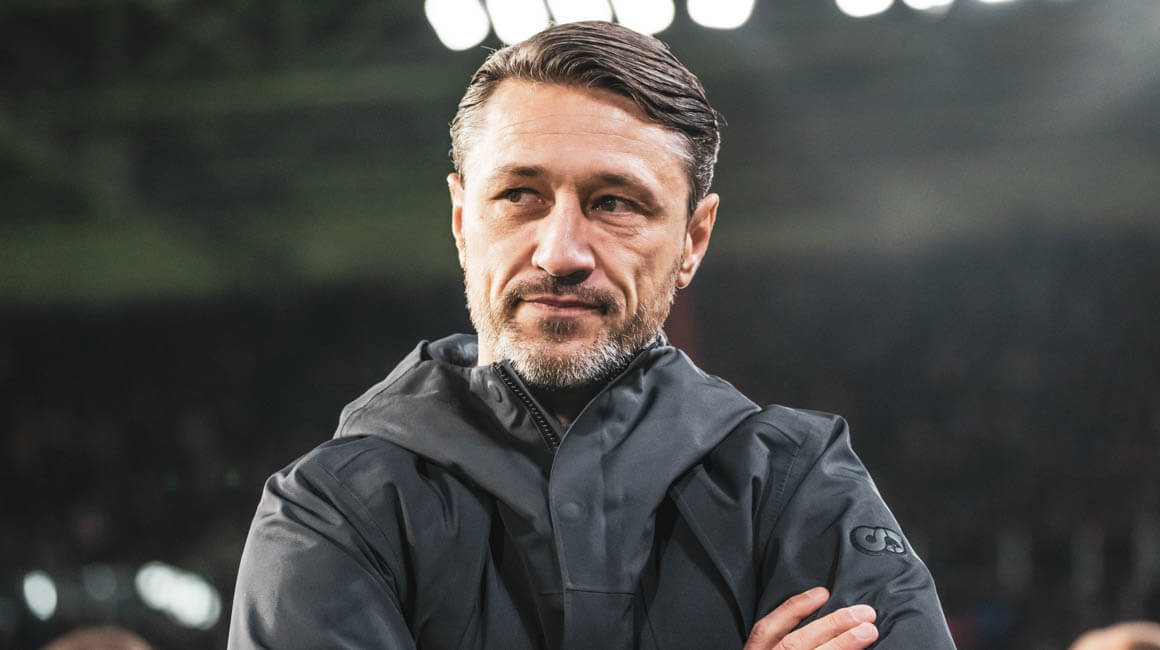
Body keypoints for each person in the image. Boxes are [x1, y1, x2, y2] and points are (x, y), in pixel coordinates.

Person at [228, 21, 955, 650]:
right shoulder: (333, 509)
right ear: (461, 220)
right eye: (520, 195)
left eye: (615, 203)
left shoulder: (797, 486)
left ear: (693, 239)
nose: (561, 253)